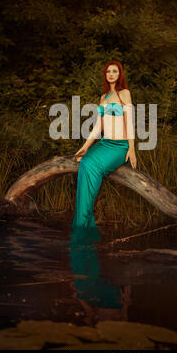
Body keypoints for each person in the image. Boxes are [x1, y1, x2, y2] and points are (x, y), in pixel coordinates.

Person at [72, 60, 136, 231]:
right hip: (105, 143)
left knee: (93, 166)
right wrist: (86, 146)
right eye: (108, 71)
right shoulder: (103, 97)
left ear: (119, 74)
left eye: (114, 71)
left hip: (120, 146)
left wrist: (132, 149)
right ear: (105, 75)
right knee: (85, 163)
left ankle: (83, 220)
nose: (111, 74)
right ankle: (84, 219)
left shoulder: (124, 94)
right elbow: (98, 127)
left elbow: (129, 123)